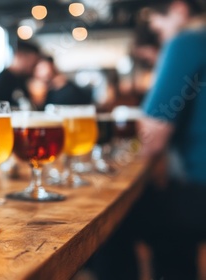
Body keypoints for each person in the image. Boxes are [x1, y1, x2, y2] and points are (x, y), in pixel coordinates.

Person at [88, 0, 206, 279]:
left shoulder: (187, 41)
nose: (156, 29)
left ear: (179, 9)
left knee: (110, 223)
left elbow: (150, 136)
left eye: (157, 21)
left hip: (200, 188)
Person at [0, 40, 41, 109]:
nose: (34, 66)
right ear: (20, 55)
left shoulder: (21, 79)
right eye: (33, 63)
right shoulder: (2, 81)